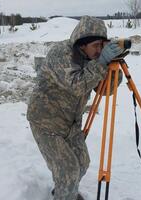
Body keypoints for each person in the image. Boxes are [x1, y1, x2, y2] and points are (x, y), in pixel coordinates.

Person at [27, 16, 124, 200]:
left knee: (82, 163)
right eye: (96, 45)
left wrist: (114, 69)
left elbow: (103, 91)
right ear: (82, 44)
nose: (99, 50)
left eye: (102, 45)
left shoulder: (91, 58)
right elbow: (77, 85)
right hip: (46, 123)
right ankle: (65, 192)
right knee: (68, 170)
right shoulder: (61, 54)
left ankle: (65, 190)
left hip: (70, 123)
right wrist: (100, 63)